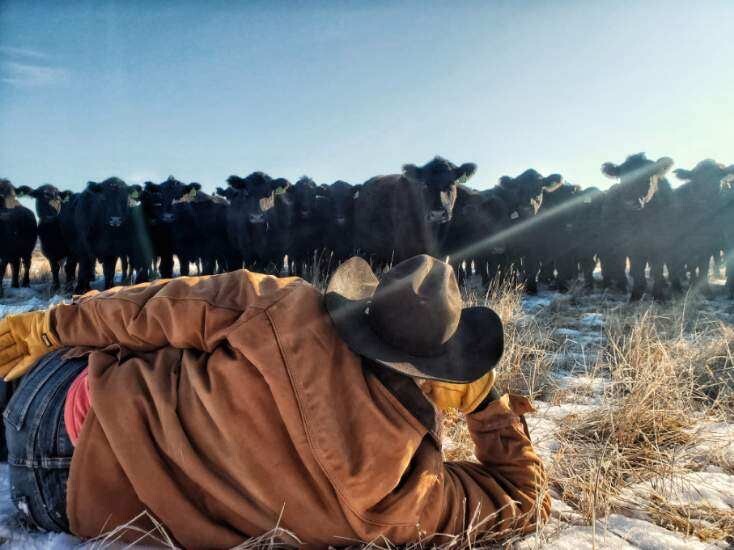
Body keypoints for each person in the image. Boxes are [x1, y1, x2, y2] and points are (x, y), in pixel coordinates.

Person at [0, 254, 549, 547]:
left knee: (116, 355)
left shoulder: (288, 307)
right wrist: (489, 407)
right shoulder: (408, 499)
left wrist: (50, 325)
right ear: (440, 375)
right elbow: (524, 498)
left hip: (59, 409)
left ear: (366, 308)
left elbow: (153, 308)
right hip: (72, 505)